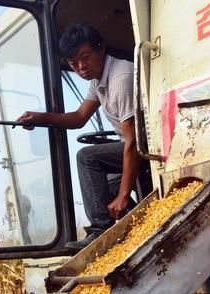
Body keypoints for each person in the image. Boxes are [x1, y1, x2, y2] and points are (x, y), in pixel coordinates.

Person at [17, 23, 143, 250]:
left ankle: (99, 230)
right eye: (73, 63)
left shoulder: (121, 77)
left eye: (85, 57)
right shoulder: (98, 80)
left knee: (88, 157)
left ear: (100, 49)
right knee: (105, 189)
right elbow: (79, 117)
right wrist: (40, 117)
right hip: (134, 144)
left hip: (149, 145)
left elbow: (133, 140)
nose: (81, 67)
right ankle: (137, 226)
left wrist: (124, 194)